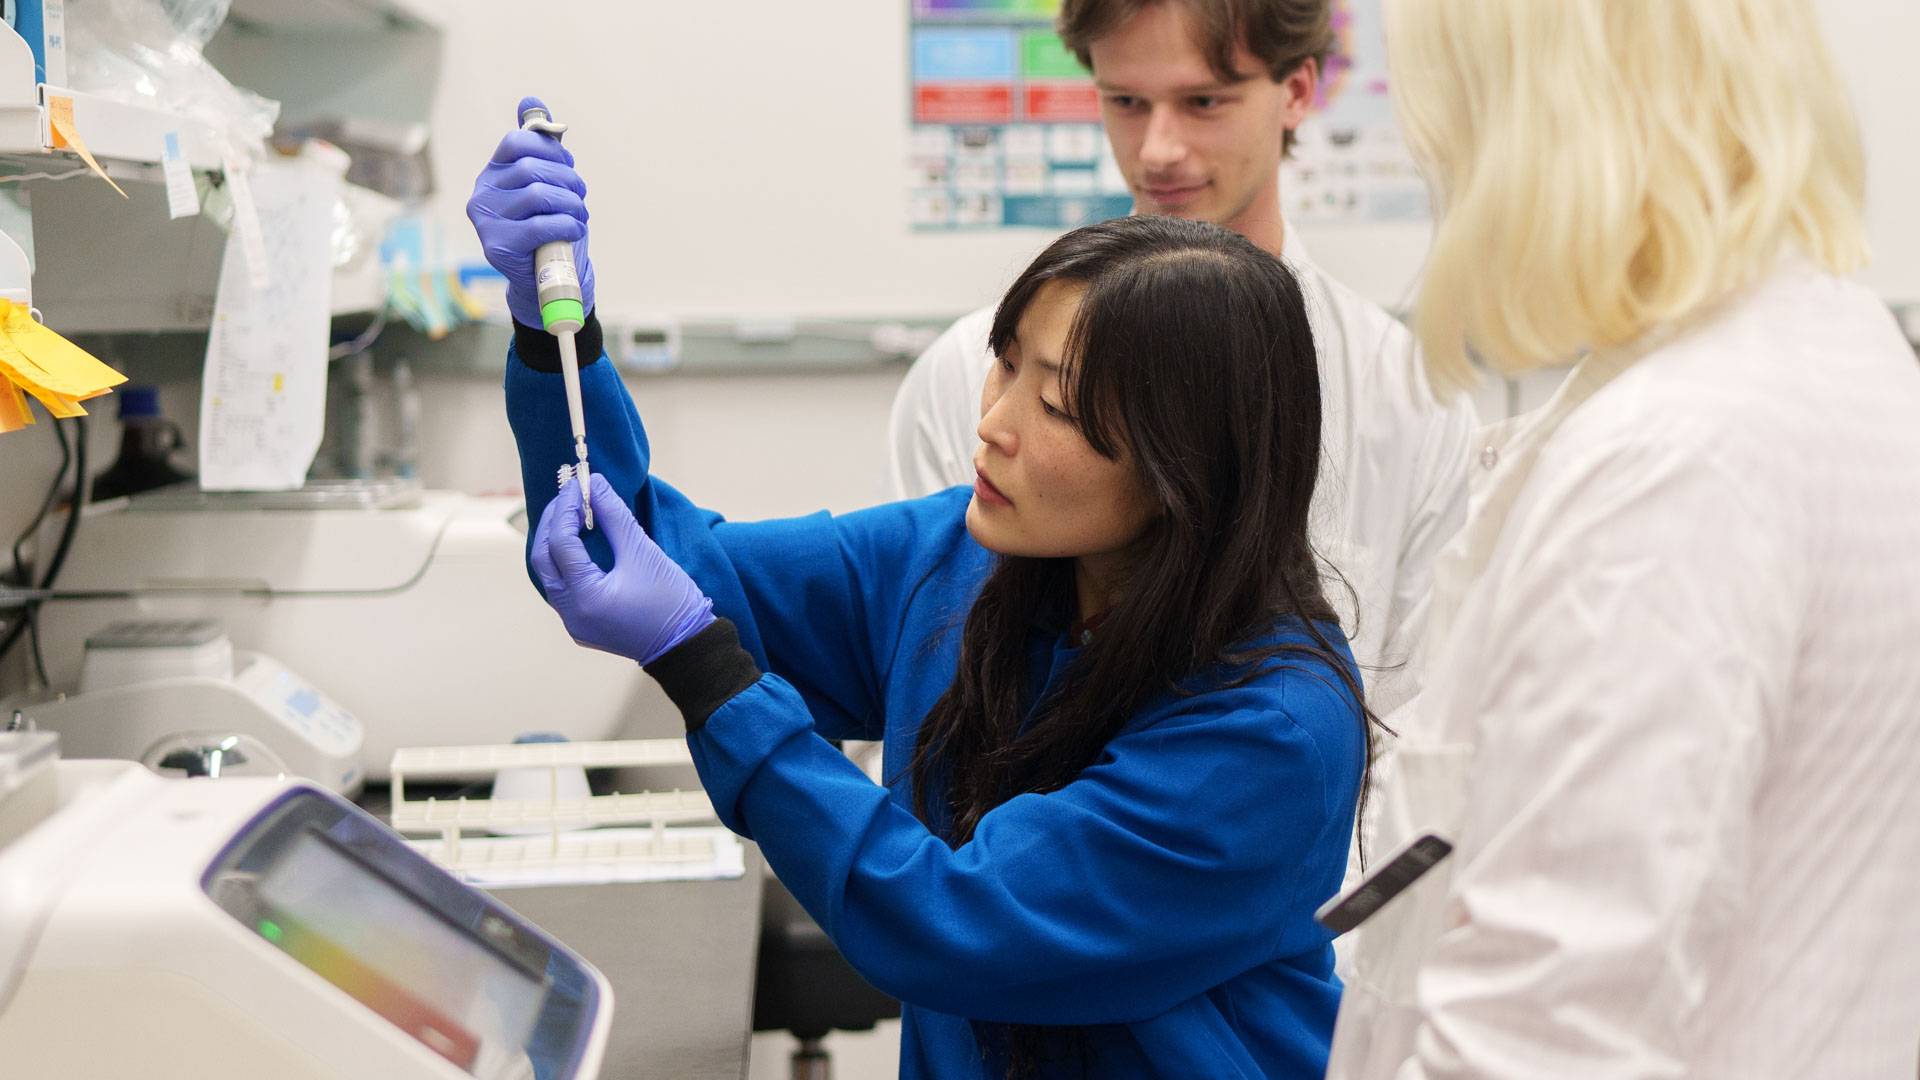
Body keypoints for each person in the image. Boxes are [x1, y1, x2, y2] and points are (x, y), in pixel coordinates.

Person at [472, 107, 1375, 1076]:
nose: (994, 422)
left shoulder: (1273, 729)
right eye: (1007, 362)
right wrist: (548, 336)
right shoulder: (959, 560)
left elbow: (958, 924)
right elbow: (644, 558)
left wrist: (702, 666)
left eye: (1057, 403)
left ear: (1185, 465)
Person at [1324, 1, 1920, 1077]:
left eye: (1454, 138)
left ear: (1536, 124)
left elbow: (1539, 1043)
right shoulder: (1839, 359)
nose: (1441, 178)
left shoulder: (1678, 461)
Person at [888, 0, 1477, 713]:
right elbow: (916, 684)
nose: (1158, 149)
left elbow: (1427, 715)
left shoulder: (1408, 397)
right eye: (1127, 101)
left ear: (1296, 92)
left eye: (1204, 101)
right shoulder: (967, 377)